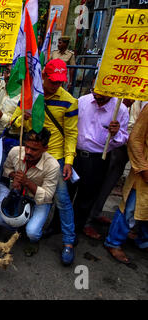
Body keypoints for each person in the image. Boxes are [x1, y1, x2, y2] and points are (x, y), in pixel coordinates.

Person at [11, 59, 78, 265]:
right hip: (30, 152)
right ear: (43, 77)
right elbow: (13, 123)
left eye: (60, 81)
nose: (56, 85)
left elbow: (71, 133)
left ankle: (68, 242)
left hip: (54, 156)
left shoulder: (69, 101)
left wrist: (68, 160)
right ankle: (28, 226)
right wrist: (23, 116)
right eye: (52, 81)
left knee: (63, 199)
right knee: (22, 188)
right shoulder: (30, 97)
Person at [0, 128, 62, 260]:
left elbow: (47, 196)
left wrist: (27, 182)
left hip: (39, 200)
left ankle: (33, 240)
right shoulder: (15, 151)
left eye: (34, 149)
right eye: (27, 147)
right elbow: (7, 169)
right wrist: (14, 177)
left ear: (45, 148)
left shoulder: (53, 166)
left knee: (33, 232)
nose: (28, 152)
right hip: (18, 195)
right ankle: (18, 227)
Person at [72, 90, 129, 239]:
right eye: (95, 94)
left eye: (102, 98)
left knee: (86, 197)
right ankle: (57, 225)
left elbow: (124, 137)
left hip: (98, 159)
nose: (98, 99)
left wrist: (116, 133)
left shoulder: (120, 109)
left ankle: (75, 230)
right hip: (75, 155)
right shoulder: (83, 101)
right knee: (67, 193)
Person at [104, 106, 148, 264]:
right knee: (130, 208)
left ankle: (143, 240)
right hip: (144, 174)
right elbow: (135, 139)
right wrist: (143, 169)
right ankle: (114, 242)